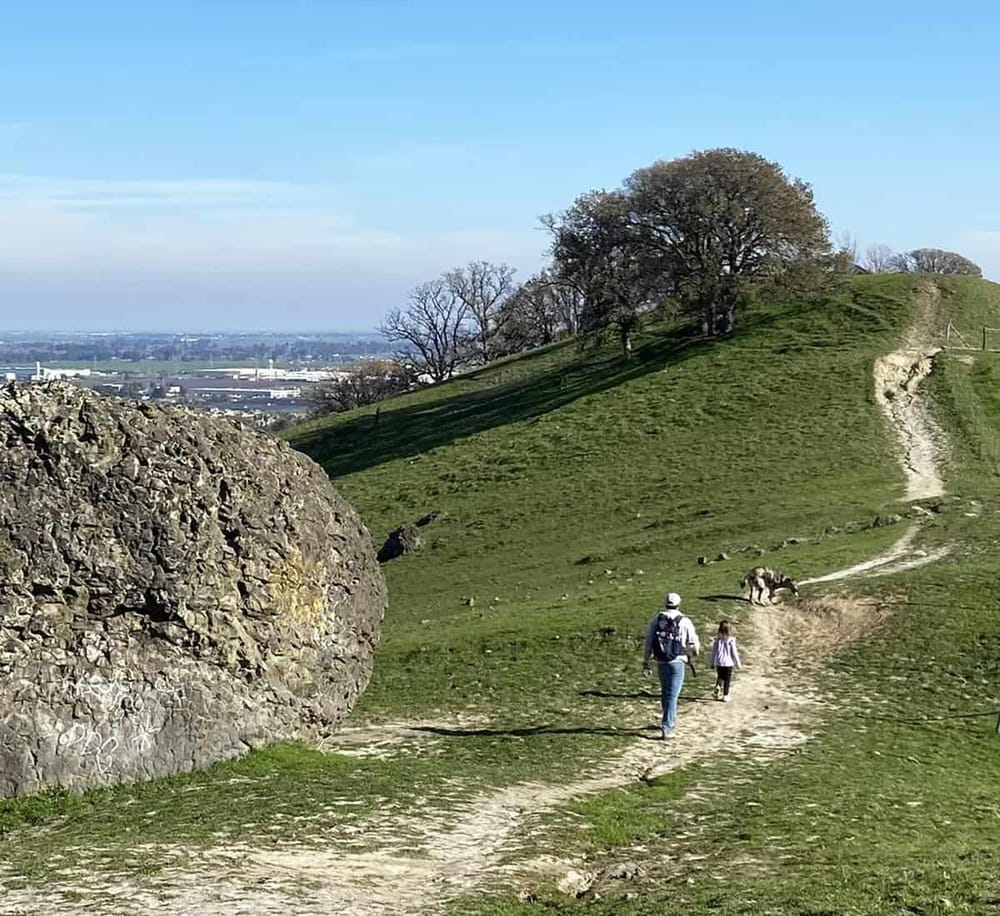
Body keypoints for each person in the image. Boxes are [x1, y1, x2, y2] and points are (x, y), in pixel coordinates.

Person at [642, 592, 700, 739]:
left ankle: (668, 719)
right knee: (673, 694)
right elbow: (694, 643)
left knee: (666, 692)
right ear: (679, 604)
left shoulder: (657, 620)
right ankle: (667, 727)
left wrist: (646, 662)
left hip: (661, 661)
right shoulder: (685, 621)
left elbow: (649, 642)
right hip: (678, 661)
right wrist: (694, 653)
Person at [710, 620, 742, 702]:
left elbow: (713, 652)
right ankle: (725, 695)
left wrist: (712, 662)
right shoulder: (731, 640)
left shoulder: (717, 641)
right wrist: (738, 663)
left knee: (720, 676)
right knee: (727, 679)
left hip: (719, 662)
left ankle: (718, 687)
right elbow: (734, 652)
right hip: (728, 663)